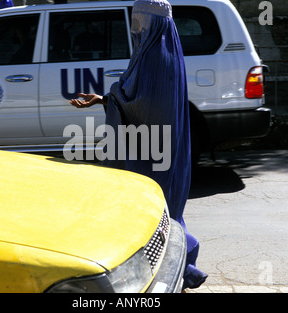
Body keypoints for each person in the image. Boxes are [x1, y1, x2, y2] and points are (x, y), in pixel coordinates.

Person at [70, 0, 207, 290]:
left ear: (154, 23)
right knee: (155, 213)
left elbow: (144, 104)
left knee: (154, 213)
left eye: (141, 22)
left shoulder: (158, 57)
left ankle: (179, 268)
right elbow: (136, 97)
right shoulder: (152, 52)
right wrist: (105, 99)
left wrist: (112, 97)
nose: (137, 29)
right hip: (151, 144)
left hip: (154, 149)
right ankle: (180, 268)